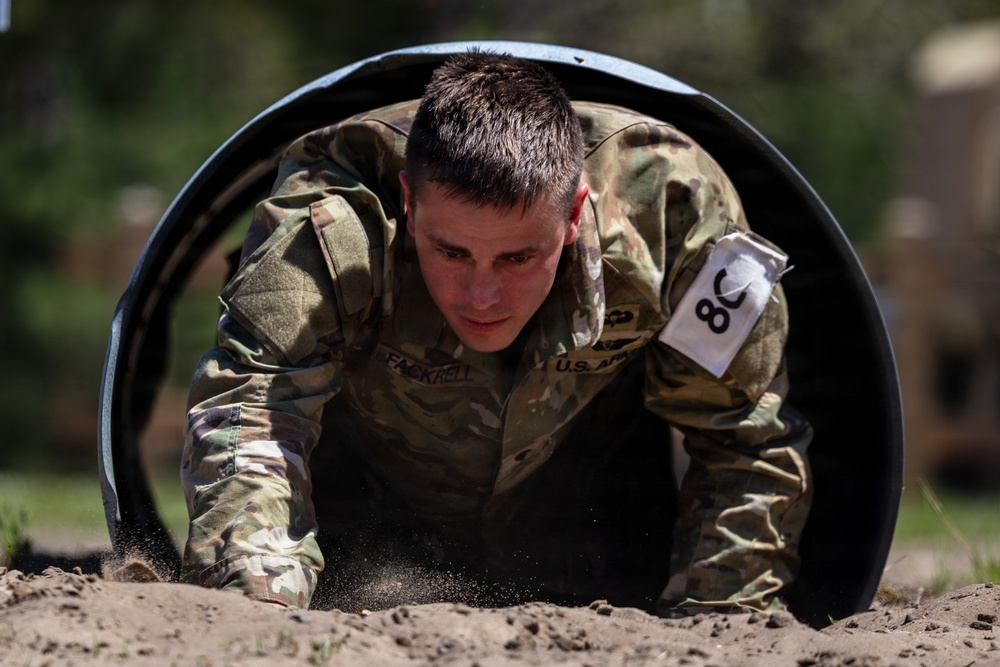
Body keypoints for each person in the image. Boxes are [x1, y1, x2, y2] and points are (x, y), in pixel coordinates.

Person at [180, 51, 813, 615]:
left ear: (572, 214)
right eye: (450, 252)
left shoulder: (675, 219)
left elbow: (742, 436)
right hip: (360, 521)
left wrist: (721, 627)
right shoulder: (331, 221)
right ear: (408, 202)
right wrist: (256, 612)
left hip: (588, 528)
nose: (482, 295)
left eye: (517, 258)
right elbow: (253, 407)